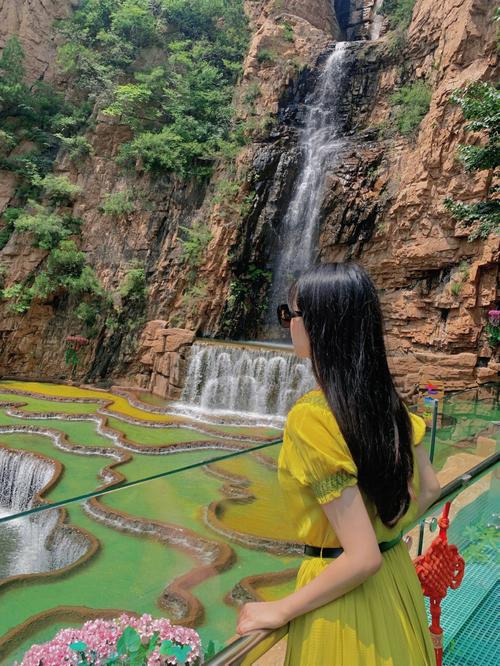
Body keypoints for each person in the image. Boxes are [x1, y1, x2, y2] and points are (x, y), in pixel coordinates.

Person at [236, 262, 440, 665]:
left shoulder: (311, 416)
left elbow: (361, 556)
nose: (286, 324)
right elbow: (430, 488)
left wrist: (281, 609)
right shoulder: (387, 403)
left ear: (319, 326)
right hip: (396, 584)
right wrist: (386, 528)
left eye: (287, 314)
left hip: (342, 604)